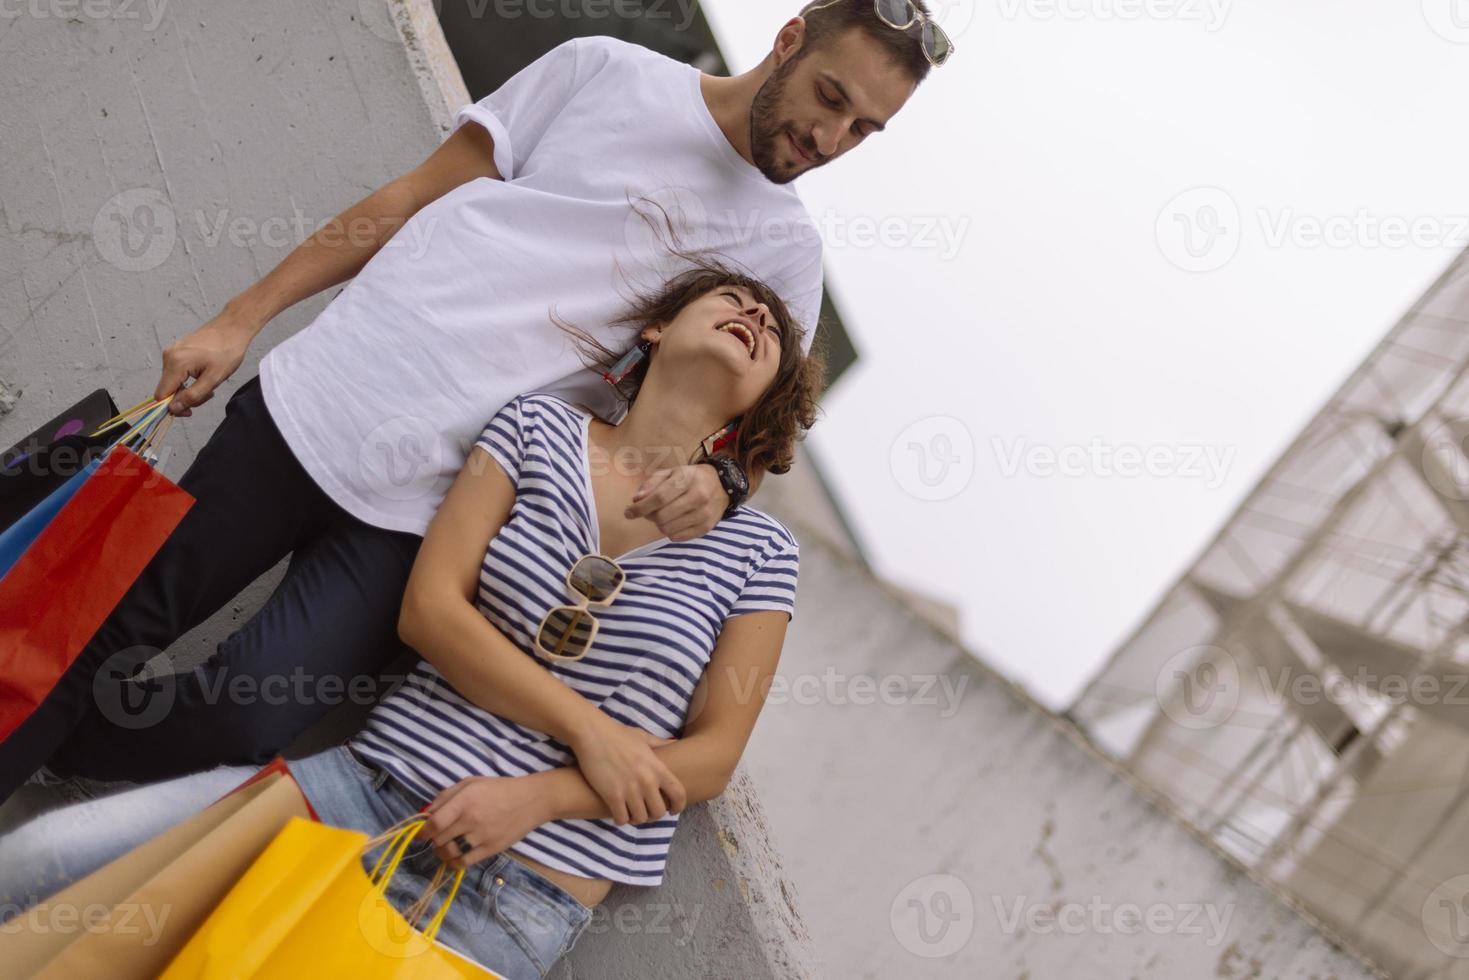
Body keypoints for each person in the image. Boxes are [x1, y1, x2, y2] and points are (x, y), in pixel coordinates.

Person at [0, 0, 944, 801]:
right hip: (331, 397)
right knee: (112, 628)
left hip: (452, 507)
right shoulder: (604, 72)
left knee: (252, 712)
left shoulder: (785, 253)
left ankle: (43, 754)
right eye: (830, 98)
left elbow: (753, 438)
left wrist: (721, 488)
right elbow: (414, 193)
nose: (829, 140)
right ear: (786, 43)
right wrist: (239, 318)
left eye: (864, 130)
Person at [0, 266, 824, 978]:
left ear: (763, 406)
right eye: (729, 295)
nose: (752, 313)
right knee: (40, 867)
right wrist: (592, 732)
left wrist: (538, 797)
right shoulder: (534, 429)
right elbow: (431, 611)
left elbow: (711, 756)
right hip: (361, 788)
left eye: (770, 329)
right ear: (654, 326)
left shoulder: (758, 550)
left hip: (512, 892)